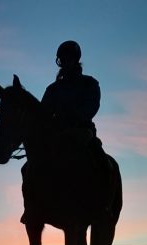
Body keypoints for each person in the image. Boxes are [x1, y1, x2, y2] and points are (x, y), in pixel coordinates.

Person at [40, 41, 108, 179]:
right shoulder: (52, 89)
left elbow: (92, 106)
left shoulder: (89, 83)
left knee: (103, 164)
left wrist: (74, 117)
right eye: (62, 59)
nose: (65, 62)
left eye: (68, 58)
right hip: (57, 132)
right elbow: (43, 114)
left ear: (75, 60)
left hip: (82, 130)